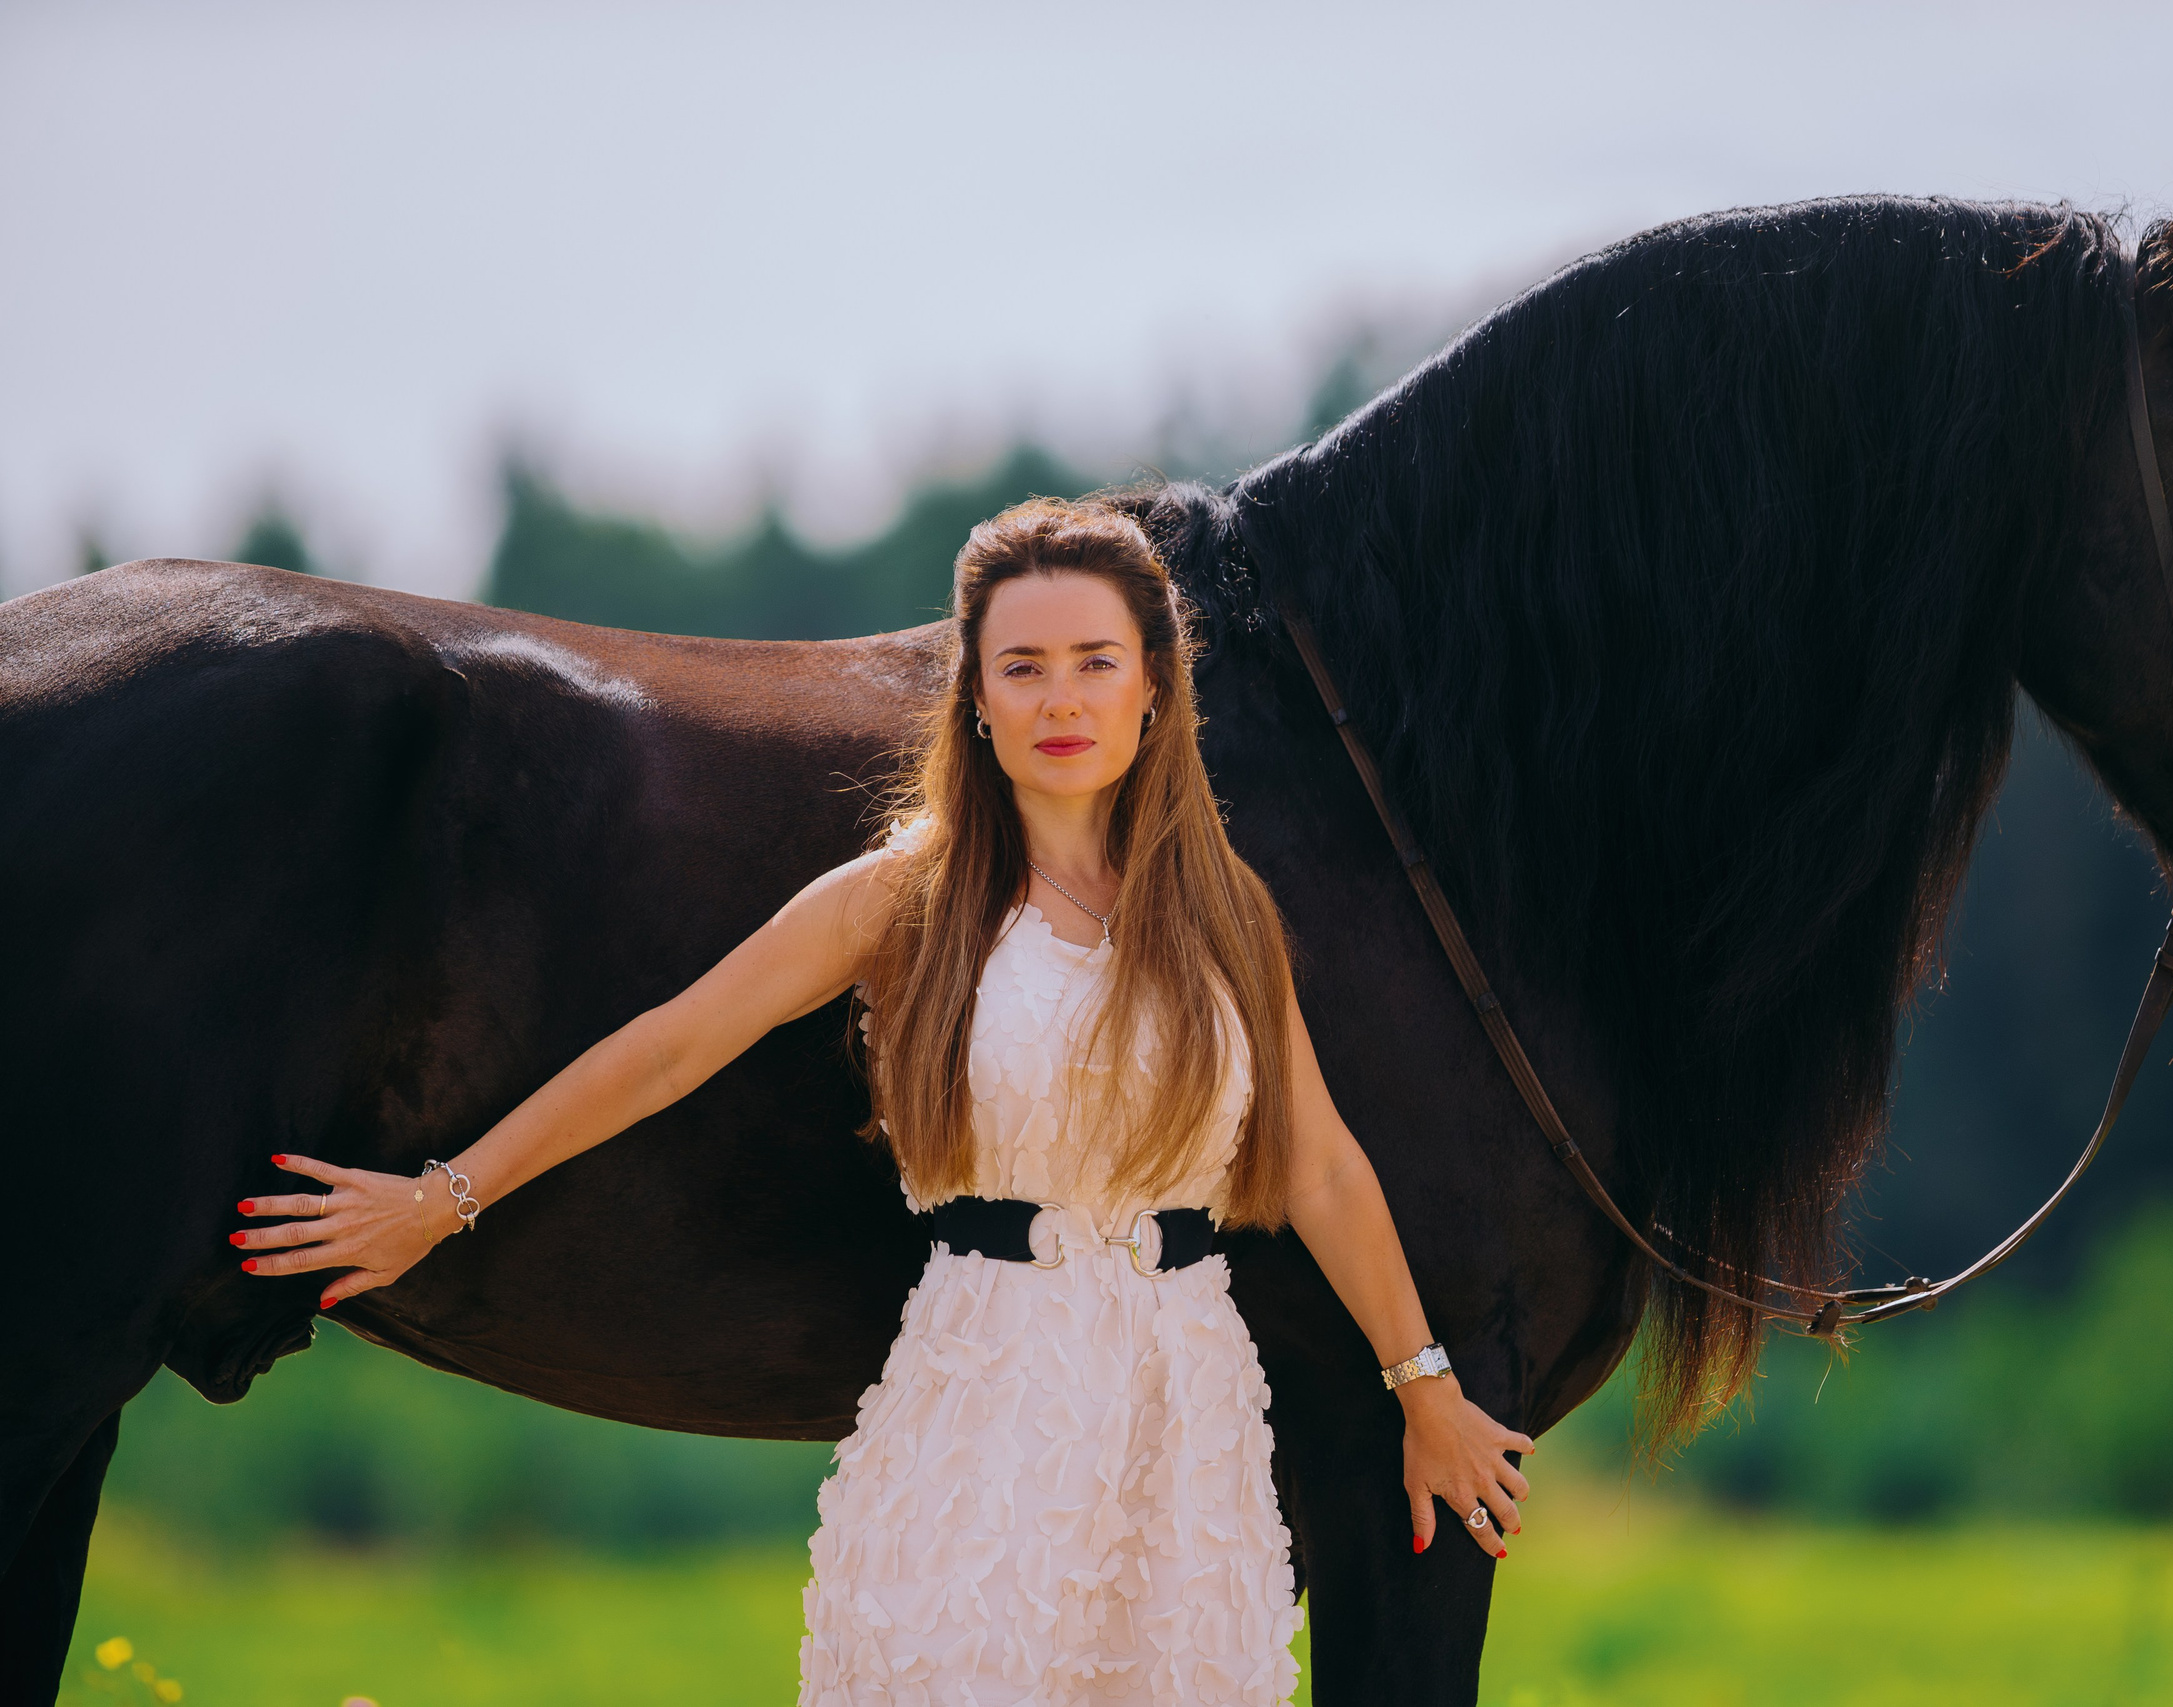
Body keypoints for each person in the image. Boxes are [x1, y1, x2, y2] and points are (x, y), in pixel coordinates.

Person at [234, 497, 1532, 1704]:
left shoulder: (1224, 910)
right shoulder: (906, 894)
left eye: (1094, 660)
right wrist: (439, 1198)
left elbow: (1318, 1167)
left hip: (1186, 1422)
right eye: (1022, 666)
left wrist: (1424, 1387)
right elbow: (671, 1047)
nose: (1060, 697)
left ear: (1154, 690)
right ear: (973, 696)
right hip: (989, 1406)